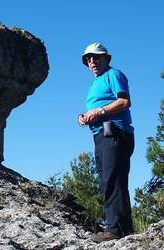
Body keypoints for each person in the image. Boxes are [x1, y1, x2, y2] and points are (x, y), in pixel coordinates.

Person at [78, 43, 134, 242]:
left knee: (112, 180)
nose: (92, 61)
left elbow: (124, 102)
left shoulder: (114, 74)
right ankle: (123, 228)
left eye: (96, 57)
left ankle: (114, 229)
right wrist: (83, 117)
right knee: (108, 181)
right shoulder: (95, 83)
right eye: (88, 59)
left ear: (106, 59)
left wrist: (100, 112)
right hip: (100, 135)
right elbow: (95, 108)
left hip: (115, 133)